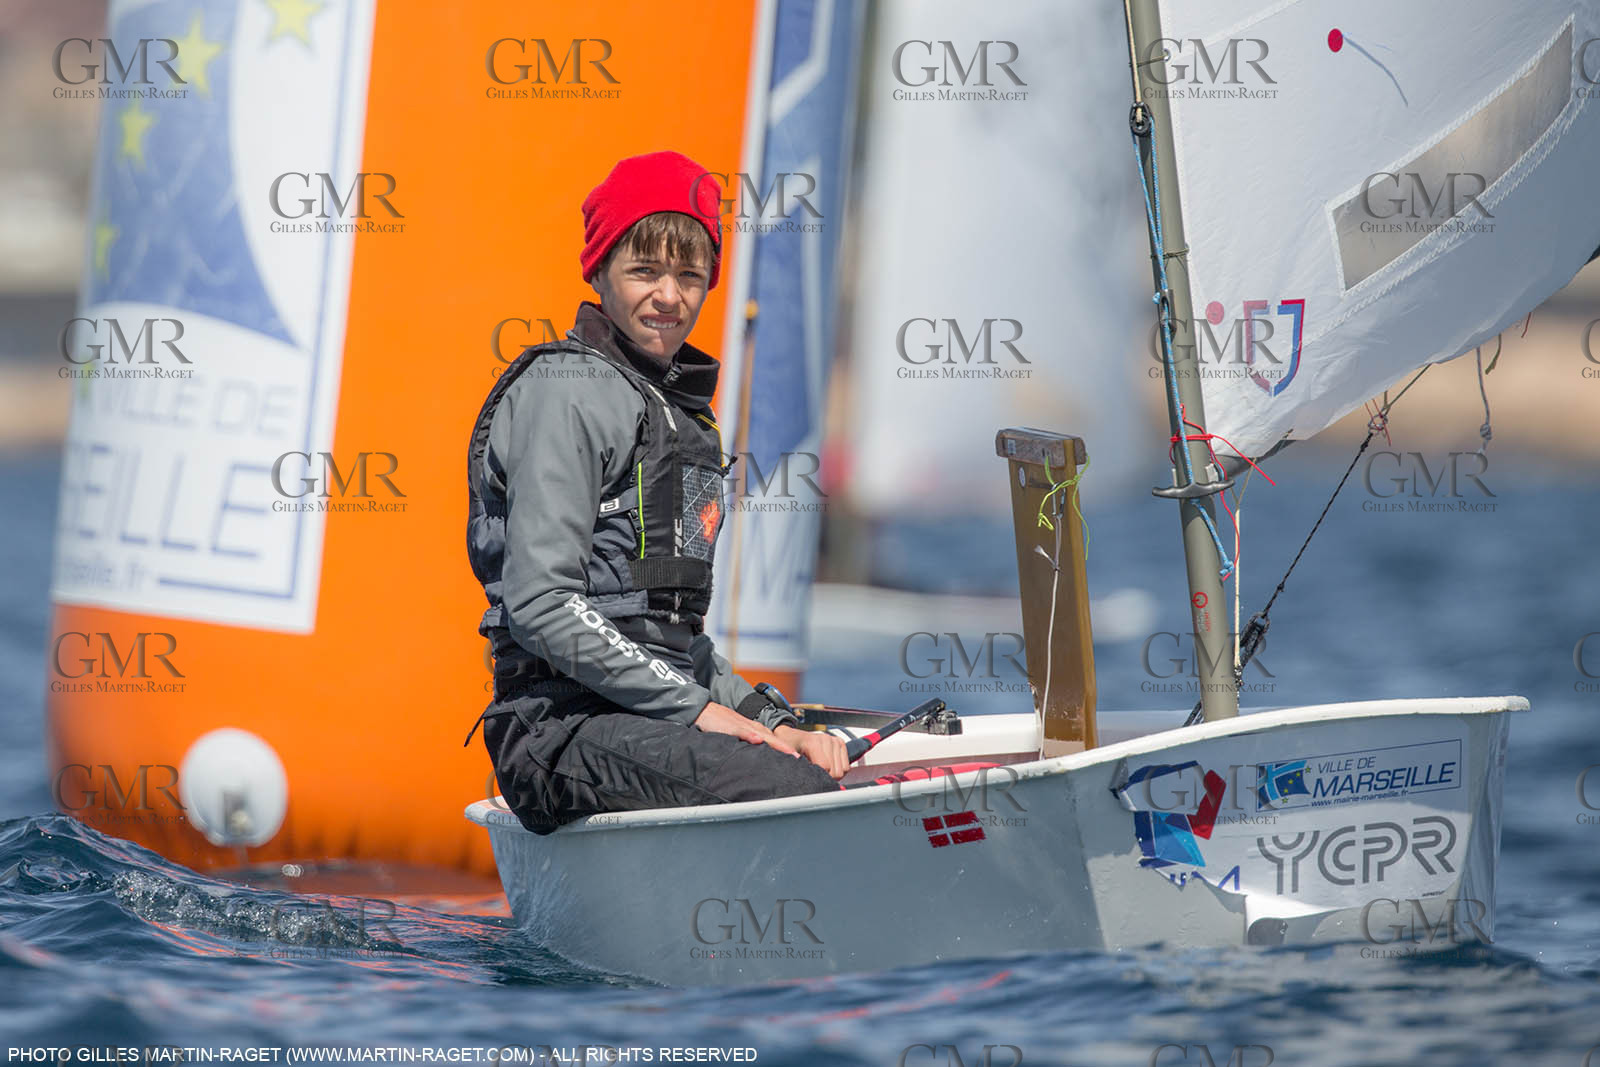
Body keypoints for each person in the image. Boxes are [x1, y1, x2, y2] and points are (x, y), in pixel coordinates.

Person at [464, 151, 846, 834]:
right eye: (644, 270)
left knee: (808, 762)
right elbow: (540, 604)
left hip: (650, 721)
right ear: (599, 270)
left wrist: (773, 721)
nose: (669, 295)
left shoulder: (686, 422)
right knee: (793, 790)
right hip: (559, 732)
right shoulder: (566, 394)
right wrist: (702, 712)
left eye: (690, 274)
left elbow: (672, 640)